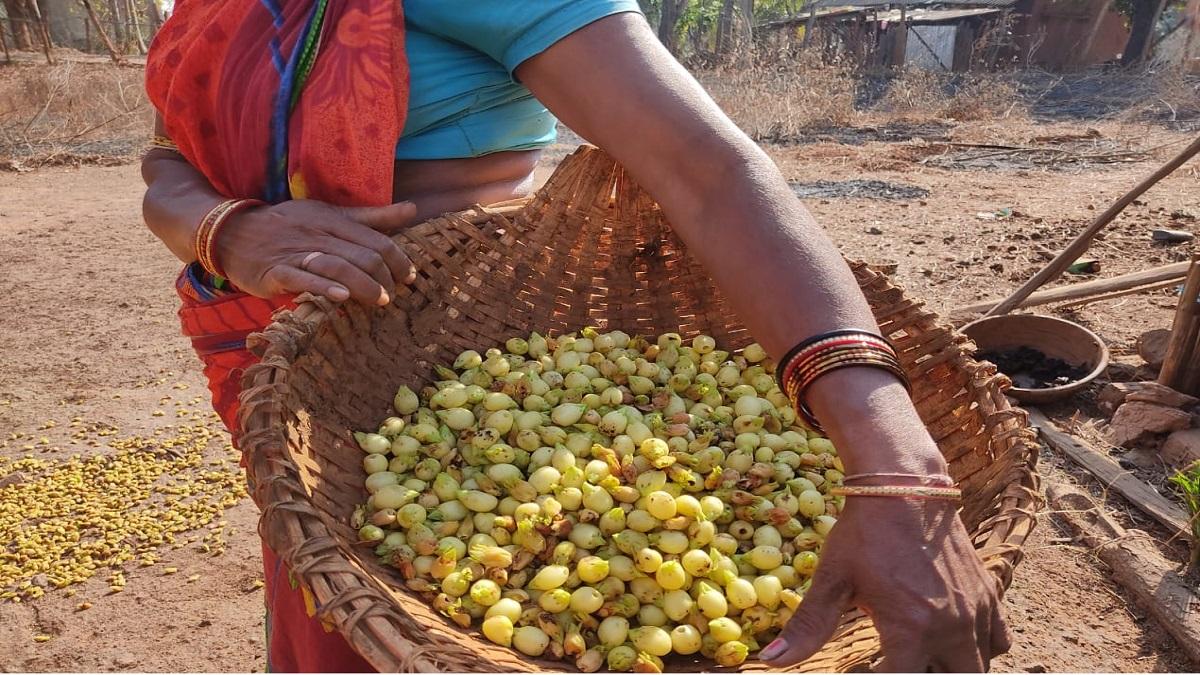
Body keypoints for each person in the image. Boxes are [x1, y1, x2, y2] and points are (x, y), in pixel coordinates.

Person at [141, 1, 1011, 672]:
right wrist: (225, 229)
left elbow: (707, 171)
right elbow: (167, 159)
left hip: (461, 344)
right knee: (333, 586)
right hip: (308, 386)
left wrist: (899, 463)